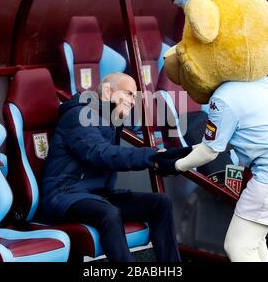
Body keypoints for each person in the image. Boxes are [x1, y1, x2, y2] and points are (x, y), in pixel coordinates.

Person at [154, 77, 268, 262]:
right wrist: (176, 153)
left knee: (237, 246)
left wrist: (174, 165)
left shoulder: (224, 96)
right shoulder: (261, 84)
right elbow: (220, 143)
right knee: (254, 241)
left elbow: (209, 152)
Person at [40, 72, 187, 262]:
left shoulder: (110, 119)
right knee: (109, 212)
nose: (133, 101)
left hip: (96, 195)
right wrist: (152, 156)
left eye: (135, 96)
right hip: (63, 195)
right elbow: (102, 154)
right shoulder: (79, 115)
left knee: (160, 203)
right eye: (128, 94)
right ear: (108, 92)